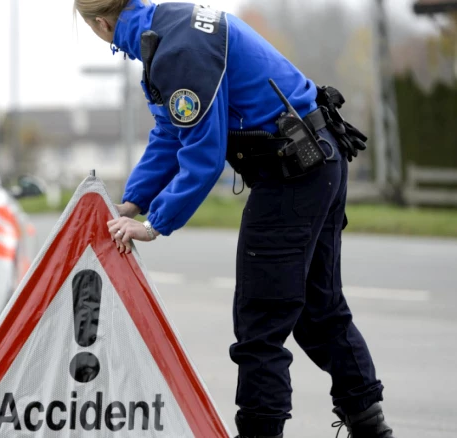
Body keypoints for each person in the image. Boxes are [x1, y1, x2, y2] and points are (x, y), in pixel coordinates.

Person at [75, 1, 395, 437]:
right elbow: (171, 132)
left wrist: (153, 225)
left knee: (259, 324)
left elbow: (203, 159)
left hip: (293, 172)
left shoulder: (176, 52)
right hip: (319, 159)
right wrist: (131, 203)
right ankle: (370, 426)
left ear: (101, 23)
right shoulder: (169, 26)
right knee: (319, 310)